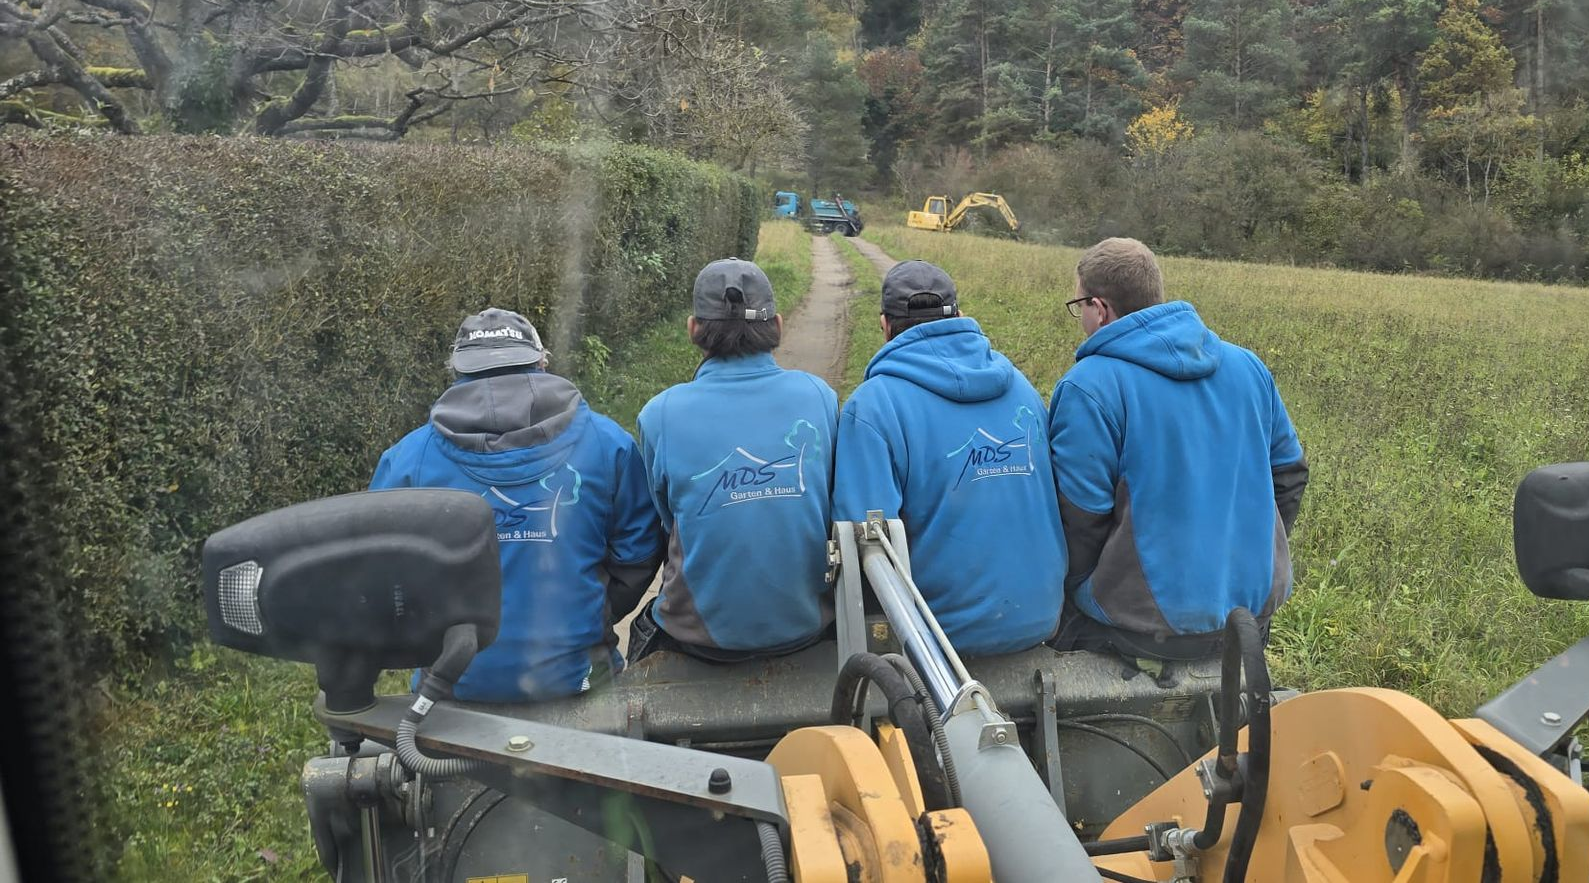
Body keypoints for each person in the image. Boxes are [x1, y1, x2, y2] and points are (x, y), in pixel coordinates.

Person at [370, 308, 662, 701]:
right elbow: (639, 554)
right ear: (541, 363)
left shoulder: (407, 461)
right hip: (581, 684)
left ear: (456, 371)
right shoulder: (607, 443)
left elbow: (382, 577)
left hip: (453, 689)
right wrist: (593, 616)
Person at [1048, 238, 1308, 660]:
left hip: (1134, 629)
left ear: (1100, 308)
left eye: (1080, 305)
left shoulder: (1090, 386)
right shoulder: (1248, 367)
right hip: (1249, 621)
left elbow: (1079, 518)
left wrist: (1084, 590)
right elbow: (1290, 473)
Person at [832, 260, 1066, 655]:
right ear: (959, 315)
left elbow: (862, 549)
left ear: (885, 326)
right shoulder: (1021, 388)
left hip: (941, 638)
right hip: (1042, 616)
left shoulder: (874, 407)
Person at [631, 258, 838, 662]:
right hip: (807, 627)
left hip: (700, 639)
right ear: (776, 325)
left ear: (694, 330)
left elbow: (668, 519)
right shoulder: (819, 397)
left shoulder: (660, 415)